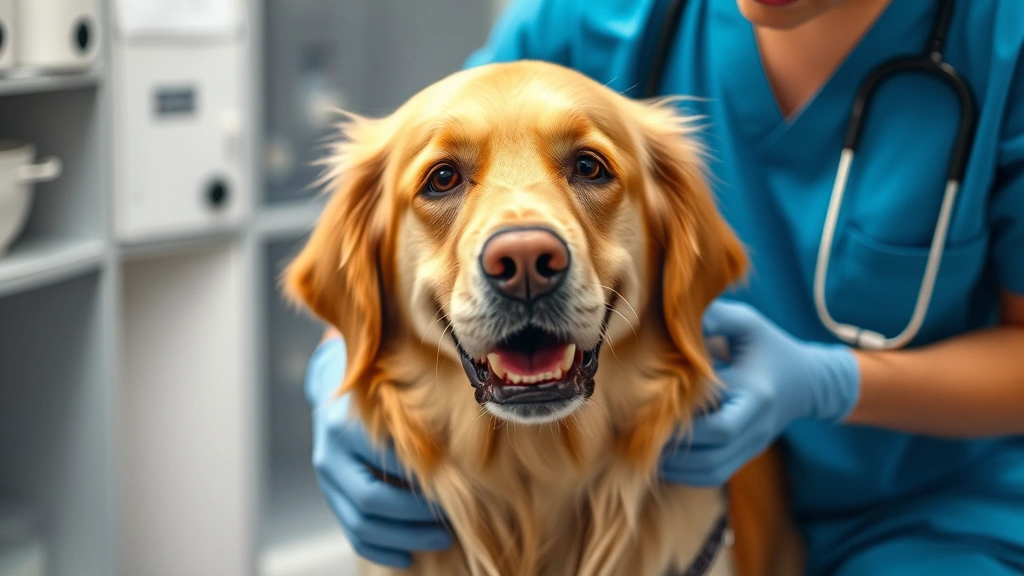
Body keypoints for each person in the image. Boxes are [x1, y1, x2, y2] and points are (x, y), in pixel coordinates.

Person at [303, 0, 1024, 574]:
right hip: (601, 495)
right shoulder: (577, 21)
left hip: (927, 513)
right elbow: (393, 239)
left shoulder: (1002, 39)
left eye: (589, 167)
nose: (523, 256)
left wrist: (830, 383)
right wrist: (338, 366)